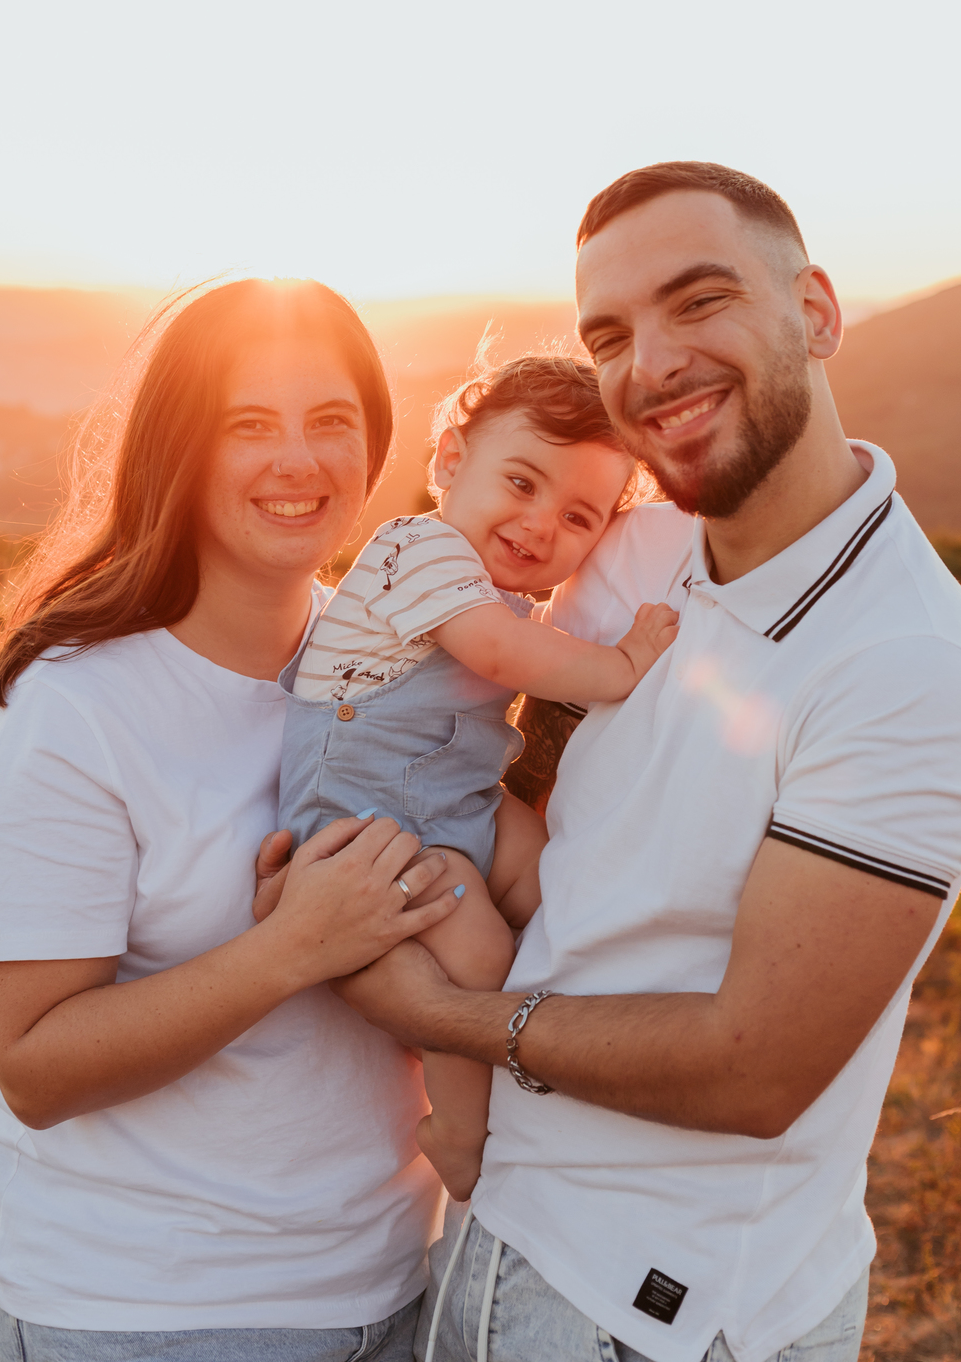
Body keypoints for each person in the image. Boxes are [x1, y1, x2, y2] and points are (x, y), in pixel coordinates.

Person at [330, 163, 961, 1362]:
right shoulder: (636, 551)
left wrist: (448, 1014)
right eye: (611, 334)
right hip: (492, 1229)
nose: (650, 365)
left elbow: (754, 1069)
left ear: (816, 313)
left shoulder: (912, 665)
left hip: (650, 1307)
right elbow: (514, 781)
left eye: (698, 302)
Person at [0, 278, 465, 1361]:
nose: (300, 460)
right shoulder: (67, 709)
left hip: (397, 1290)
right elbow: (36, 1067)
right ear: (176, 452)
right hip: (142, 1315)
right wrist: (291, 948)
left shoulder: (412, 675)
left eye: (332, 422)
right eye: (249, 425)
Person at [274, 355, 677, 1201]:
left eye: (578, 518)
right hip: (365, 826)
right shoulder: (417, 551)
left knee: (559, 873)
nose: (540, 526)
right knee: (478, 945)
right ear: (451, 461)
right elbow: (500, 654)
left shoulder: (498, 590)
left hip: (454, 806)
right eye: (521, 483)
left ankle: (617, 1024)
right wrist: (623, 665)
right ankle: (457, 1128)